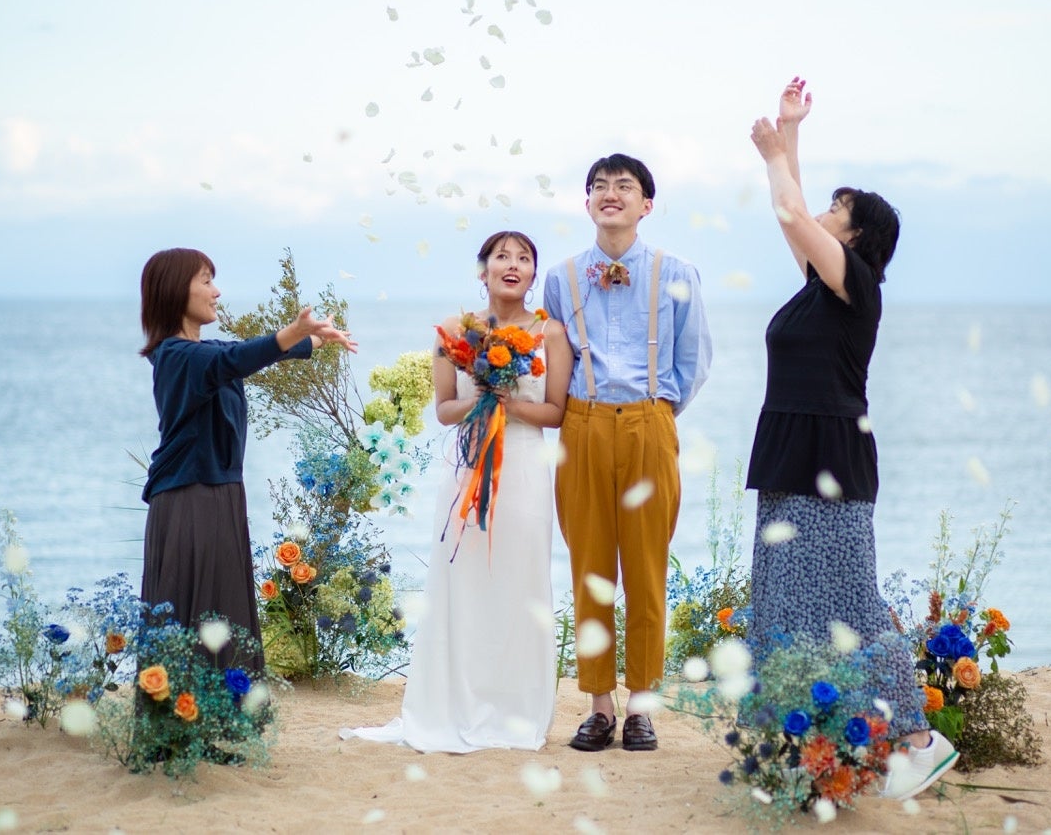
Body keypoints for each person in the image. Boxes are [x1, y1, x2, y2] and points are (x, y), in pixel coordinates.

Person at [744, 78, 957, 799]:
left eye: (838, 210)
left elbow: (789, 208)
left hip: (831, 460)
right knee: (786, 603)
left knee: (852, 603)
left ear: (859, 236)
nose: (821, 215)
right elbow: (794, 216)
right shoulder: (820, 283)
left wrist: (773, 154)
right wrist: (791, 133)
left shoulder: (856, 283)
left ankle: (920, 740)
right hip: (790, 453)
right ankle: (815, 748)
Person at [346, 231, 572, 752]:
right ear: (483, 270)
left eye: (523, 258)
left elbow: (557, 412)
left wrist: (509, 403)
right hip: (467, 466)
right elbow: (445, 409)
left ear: (533, 275)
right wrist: (483, 398)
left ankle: (515, 710)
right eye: (502, 256)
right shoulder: (454, 330)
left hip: (524, 467)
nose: (512, 265)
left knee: (520, 581)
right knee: (464, 582)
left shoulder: (551, 333)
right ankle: (454, 704)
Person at [543, 155, 713, 752]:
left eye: (625, 186)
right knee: (589, 569)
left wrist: (656, 416)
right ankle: (598, 706)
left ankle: (641, 706)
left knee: (646, 569)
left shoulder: (677, 272)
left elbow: (693, 362)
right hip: (582, 426)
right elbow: (555, 361)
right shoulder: (561, 278)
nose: (610, 194)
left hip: (649, 424)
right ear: (587, 202)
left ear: (647, 204)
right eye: (599, 186)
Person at [139, 247, 356, 674]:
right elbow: (234, 359)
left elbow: (244, 354)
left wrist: (313, 339)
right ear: (176, 291)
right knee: (190, 621)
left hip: (218, 495)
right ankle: (183, 713)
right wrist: (293, 330)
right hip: (188, 500)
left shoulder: (202, 353)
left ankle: (224, 712)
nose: (216, 292)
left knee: (223, 616)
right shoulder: (178, 357)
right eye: (206, 281)